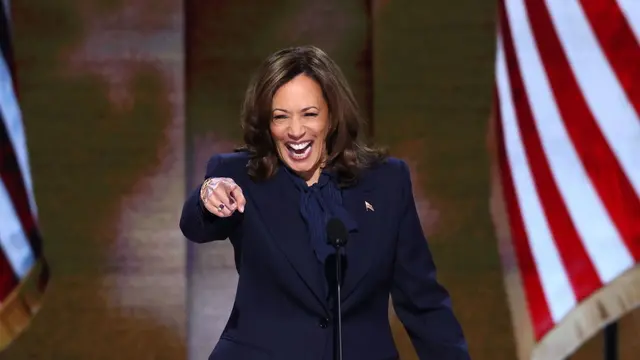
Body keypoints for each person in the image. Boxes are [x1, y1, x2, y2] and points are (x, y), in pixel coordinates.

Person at [179, 45, 470, 360]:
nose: (295, 131)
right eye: (281, 117)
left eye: (309, 114)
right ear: (267, 123)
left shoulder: (386, 182)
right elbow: (195, 226)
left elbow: (422, 301)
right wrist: (209, 194)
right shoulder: (240, 175)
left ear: (332, 117)